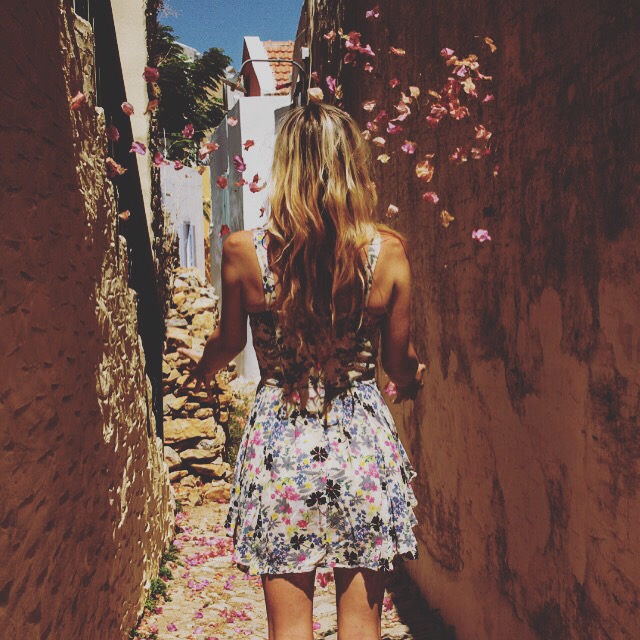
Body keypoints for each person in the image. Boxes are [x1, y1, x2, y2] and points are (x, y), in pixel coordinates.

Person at [179, 102, 425, 640]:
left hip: (280, 441)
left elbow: (228, 343)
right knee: (362, 623)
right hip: (360, 442)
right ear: (351, 166)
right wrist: (413, 378)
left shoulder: (244, 252)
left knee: (288, 627)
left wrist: (203, 367)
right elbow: (398, 363)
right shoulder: (387, 254)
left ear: (286, 166)